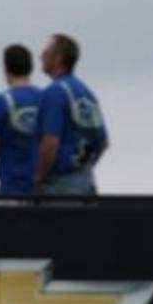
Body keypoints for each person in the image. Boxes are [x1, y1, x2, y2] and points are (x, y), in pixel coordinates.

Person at [34, 33, 108, 197]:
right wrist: (83, 168)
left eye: (46, 51)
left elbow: (50, 142)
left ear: (58, 58)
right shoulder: (86, 94)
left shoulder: (54, 92)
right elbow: (103, 142)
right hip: (86, 183)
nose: (41, 56)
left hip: (59, 186)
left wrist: (39, 176)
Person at [0, 44, 41, 197]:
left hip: (11, 186)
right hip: (42, 187)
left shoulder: (0, 102)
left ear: (6, 68)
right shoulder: (46, 98)